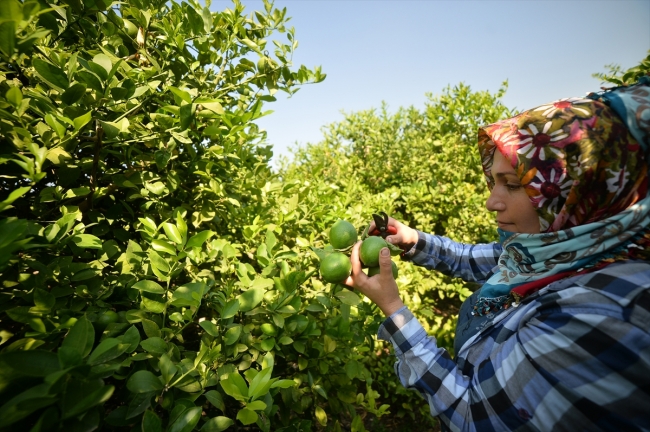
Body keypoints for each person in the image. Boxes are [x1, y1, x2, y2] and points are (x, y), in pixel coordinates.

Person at [345, 79, 650, 431]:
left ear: (582, 187)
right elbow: (478, 259)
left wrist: (395, 311)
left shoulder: (604, 313)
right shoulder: (562, 251)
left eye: (515, 184)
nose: (492, 201)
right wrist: (411, 239)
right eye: (495, 181)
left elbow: (473, 414)